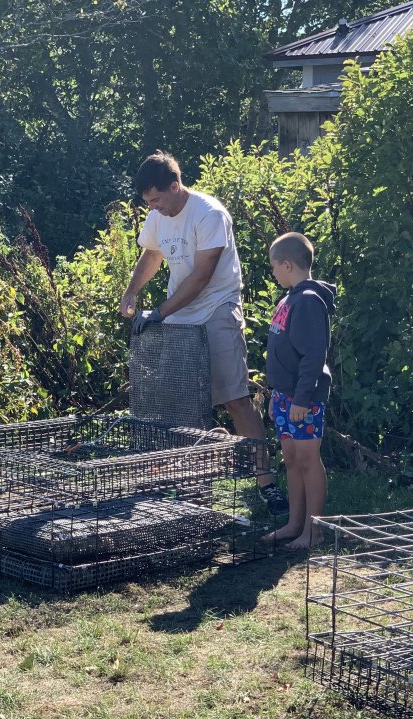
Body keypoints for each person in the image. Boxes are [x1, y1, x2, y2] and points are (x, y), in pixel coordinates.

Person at [119, 150, 288, 515]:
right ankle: (190, 489)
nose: (153, 208)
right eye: (148, 203)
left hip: (216, 309)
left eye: (156, 200)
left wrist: (159, 313)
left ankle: (267, 483)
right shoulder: (158, 216)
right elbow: (152, 255)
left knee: (235, 399)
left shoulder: (209, 214)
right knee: (179, 405)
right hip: (178, 317)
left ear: (175, 186)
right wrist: (131, 292)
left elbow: (201, 276)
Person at [261, 232, 335, 550]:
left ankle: (313, 530)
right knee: (291, 458)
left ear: (288, 265)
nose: (273, 272)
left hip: (303, 399)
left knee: (307, 459)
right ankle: (294, 524)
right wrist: (274, 395)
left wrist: (302, 399)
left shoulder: (307, 301)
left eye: (274, 266)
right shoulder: (288, 299)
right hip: (284, 396)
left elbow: (314, 355)